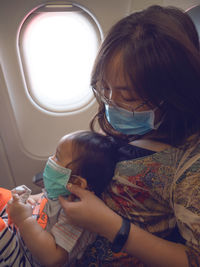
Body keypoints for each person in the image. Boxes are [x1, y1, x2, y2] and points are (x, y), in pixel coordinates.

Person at [59, 5, 200, 267]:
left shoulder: (189, 166)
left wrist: (112, 226)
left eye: (128, 97)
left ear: (174, 96)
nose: (112, 105)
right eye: (105, 89)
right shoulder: (126, 126)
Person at [0, 130, 119, 267]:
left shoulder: (76, 216)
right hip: (21, 237)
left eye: (57, 157)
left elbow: (53, 259)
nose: (50, 159)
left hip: (26, 259)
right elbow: (45, 202)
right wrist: (28, 200)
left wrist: (24, 220)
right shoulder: (60, 192)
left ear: (78, 183)